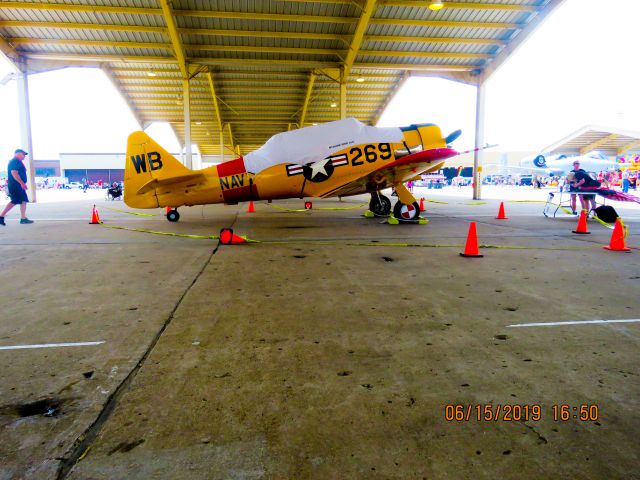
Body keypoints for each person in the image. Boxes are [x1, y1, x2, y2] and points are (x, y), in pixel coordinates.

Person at [0, 149, 34, 225]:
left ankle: (23, 218)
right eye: (23, 154)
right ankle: (1, 216)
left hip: (19, 185)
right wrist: (22, 183)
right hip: (15, 185)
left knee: (23, 200)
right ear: (17, 153)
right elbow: (14, 173)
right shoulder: (14, 161)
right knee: (15, 200)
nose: (24, 156)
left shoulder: (17, 162)